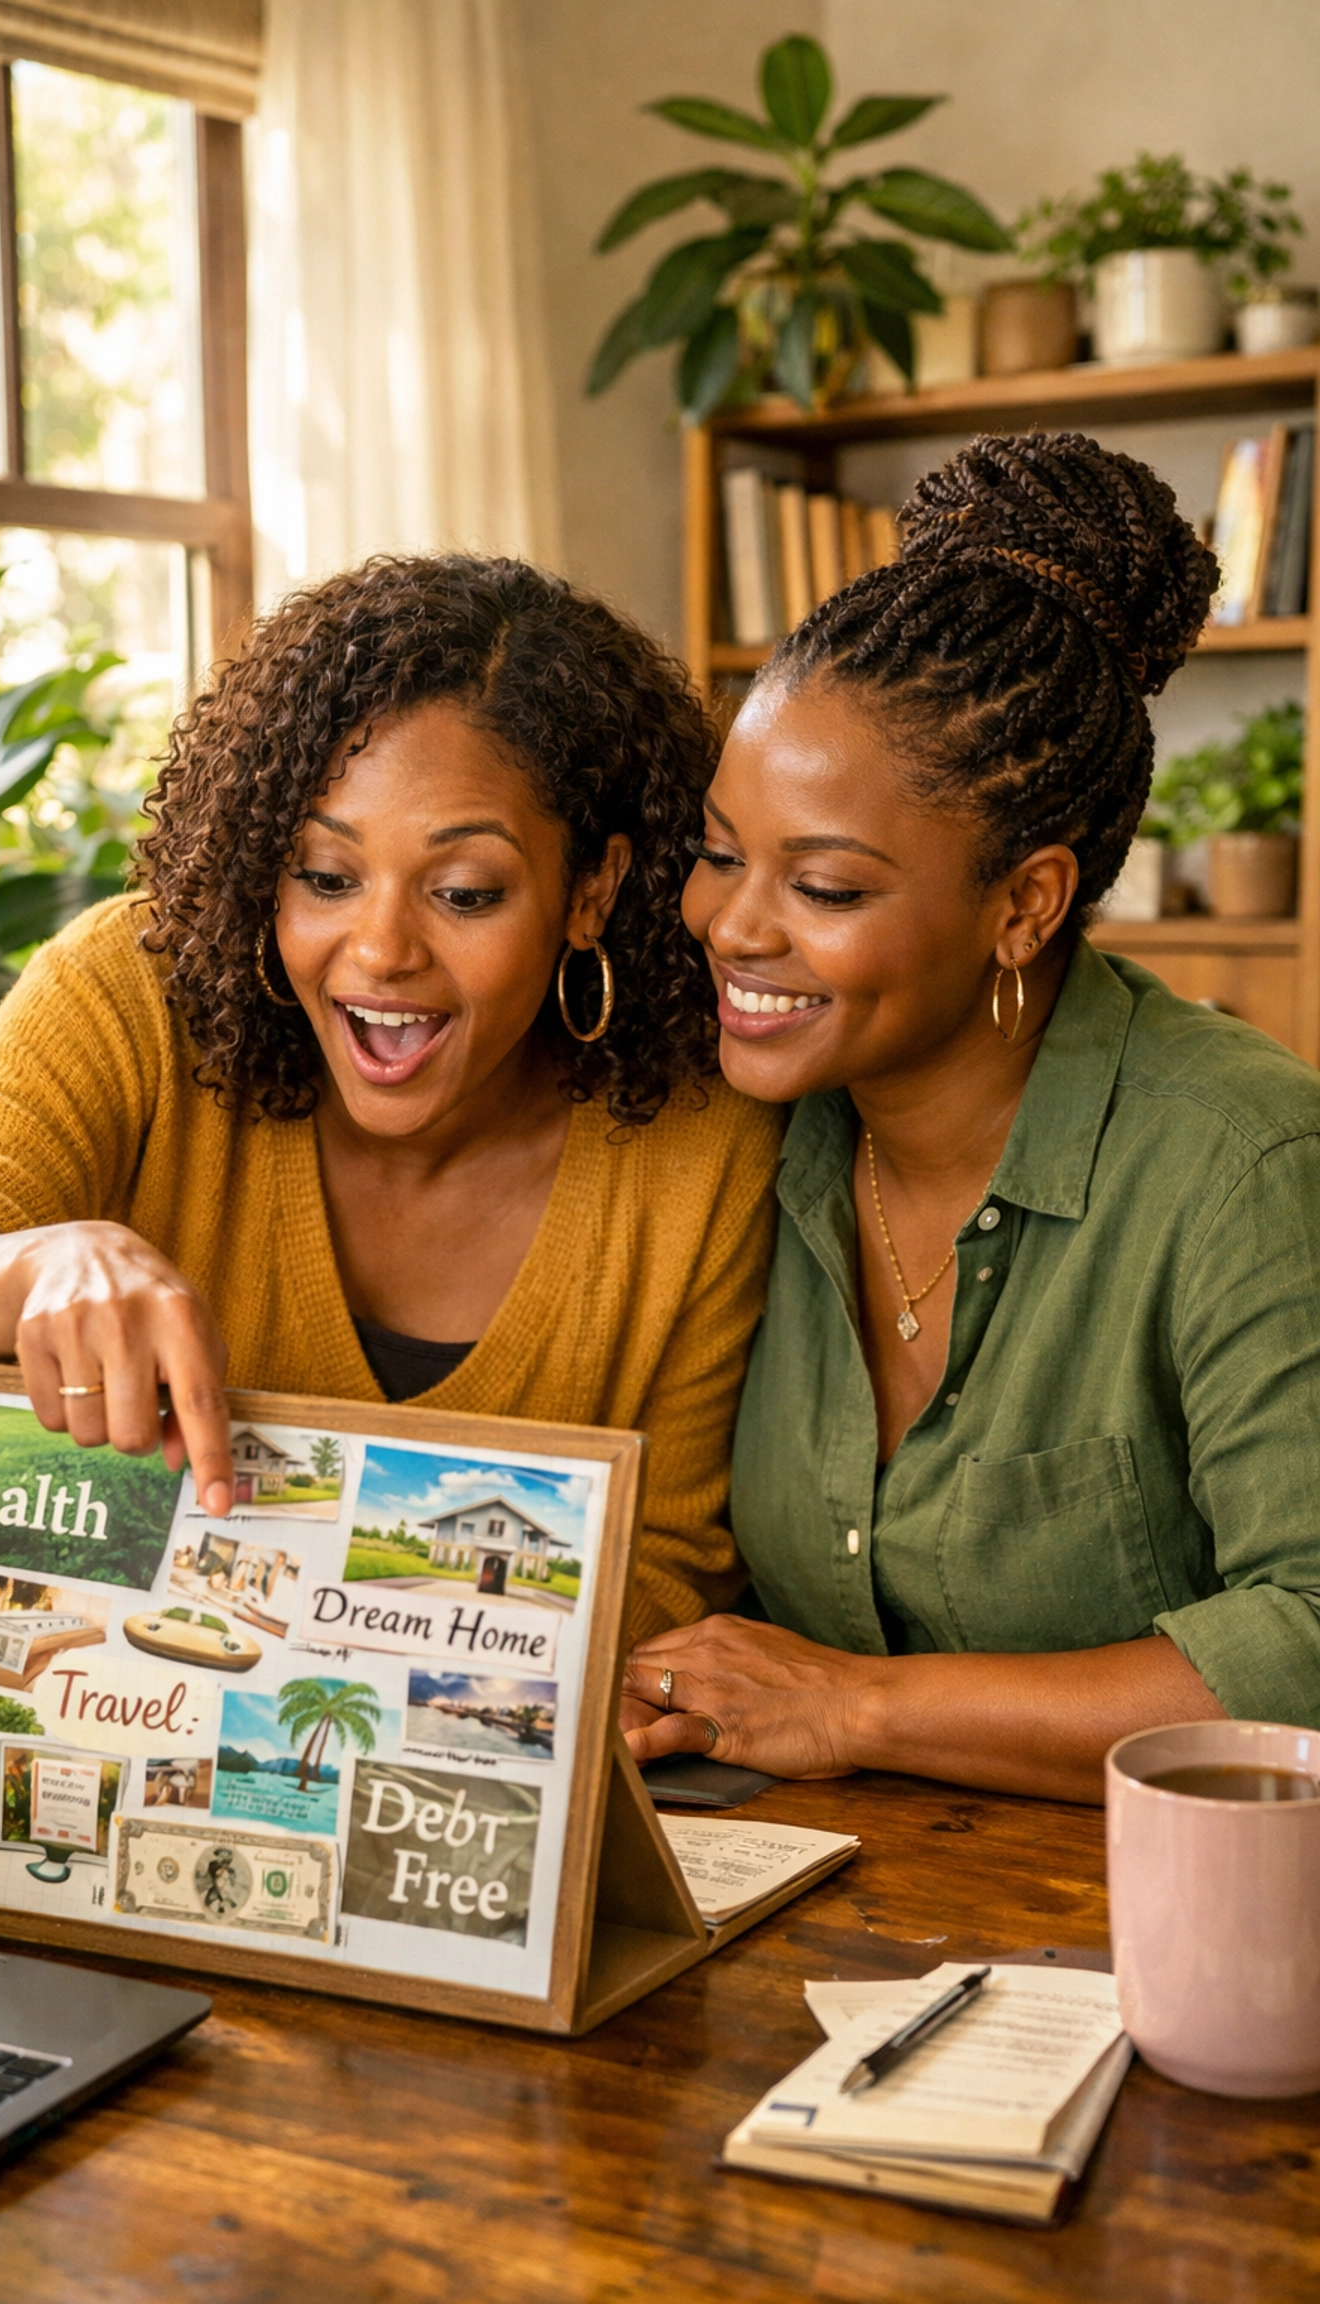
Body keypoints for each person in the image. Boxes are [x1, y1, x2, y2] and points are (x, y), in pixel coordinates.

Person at [0, 556, 781, 1638]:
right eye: (324, 876)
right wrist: (35, 1265)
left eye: (463, 893)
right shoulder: (129, 994)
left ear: (591, 890)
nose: (381, 950)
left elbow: (668, 1569)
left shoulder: (702, 1139)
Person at [623, 431, 1320, 1798]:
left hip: (1192, 1940)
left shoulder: (1242, 1163)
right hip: (827, 1915)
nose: (731, 926)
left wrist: (862, 1709)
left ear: (1025, 906)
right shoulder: (750, 1136)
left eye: (823, 889)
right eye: (718, 854)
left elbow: (1308, 1636)